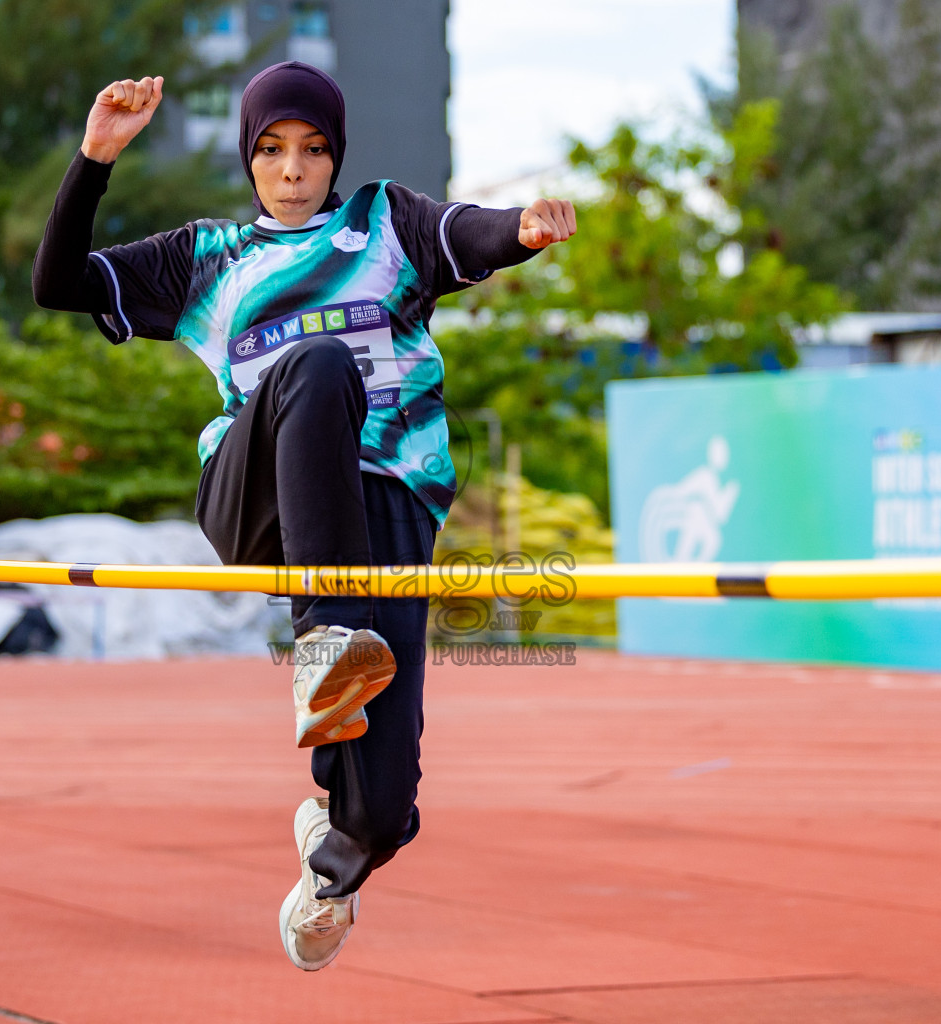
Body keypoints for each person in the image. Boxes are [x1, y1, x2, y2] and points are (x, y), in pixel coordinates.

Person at [33, 61, 575, 970]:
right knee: (320, 366)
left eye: (314, 152)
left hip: (388, 501)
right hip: (258, 498)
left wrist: (519, 230)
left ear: (337, 158)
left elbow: (465, 232)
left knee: (389, 803)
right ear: (250, 159)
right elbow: (59, 282)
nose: (294, 171)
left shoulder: (383, 224)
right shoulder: (205, 257)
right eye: (274, 151)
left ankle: (331, 858)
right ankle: (324, 640)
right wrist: (94, 160)